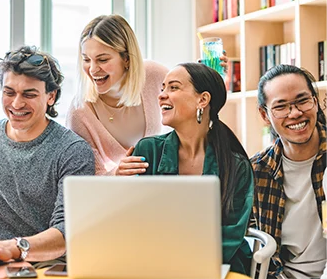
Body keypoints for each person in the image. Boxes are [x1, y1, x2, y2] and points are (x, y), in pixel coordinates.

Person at [0, 46, 94, 264]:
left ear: (51, 96)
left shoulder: (72, 150)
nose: (17, 104)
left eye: (29, 94)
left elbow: (67, 231)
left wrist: (13, 248)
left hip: (51, 266)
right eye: (9, 93)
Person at [132, 62, 254, 275]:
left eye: (173, 87)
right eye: (162, 88)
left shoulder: (236, 165)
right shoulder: (147, 151)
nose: (161, 95)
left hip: (216, 269)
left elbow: (230, 236)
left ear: (203, 99)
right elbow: (133, 223)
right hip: (154, 266)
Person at [67, 14, 226, 175]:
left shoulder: (152, 74)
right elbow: (86, 180)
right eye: (86, 59)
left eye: (102, 60)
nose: (93, 69)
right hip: (120, 193)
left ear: (127, 59)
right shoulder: (80, 113)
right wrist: (116, 174)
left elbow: (187, 92)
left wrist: (208, 74)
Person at [252, 64, 327, 279]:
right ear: (265, 115)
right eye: (281, 106)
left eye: (302, 100)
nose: (295, 113)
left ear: (314, 100)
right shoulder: (257, 171)